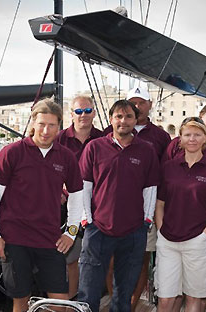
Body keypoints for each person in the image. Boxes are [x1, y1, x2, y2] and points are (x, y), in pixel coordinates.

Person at [0, 98, 84, 312]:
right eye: (41, 124)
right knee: (21, 300)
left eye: (52, 125)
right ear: (33, 123)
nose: (46, 130)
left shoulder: (66, 158)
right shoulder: (12, 153)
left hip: (49, 239)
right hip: (14, 239)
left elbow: (77, 196)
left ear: (60, 126)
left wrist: (71, 233)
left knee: (60, 303)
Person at [78, 100, 160, 312]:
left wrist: (146, 221)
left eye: (128, 117)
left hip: (133, 230)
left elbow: (150, 188)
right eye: (119, 117)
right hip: (97, 230)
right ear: (111, 119)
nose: (123, 121)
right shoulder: (94, 147)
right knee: (89, 291)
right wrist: (87, 219)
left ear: (135, 120)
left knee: (124, 293)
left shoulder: (147, 150)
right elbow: (85, 186)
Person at [104, 85, 171, 310]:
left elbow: (164, 172)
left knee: (141, 260)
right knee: (112, 260)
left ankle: (131, 305)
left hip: (145, 210)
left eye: (141, 102)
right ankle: (117, 302)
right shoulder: (109, 132)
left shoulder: (161, 136)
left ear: (150, 105)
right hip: (113, 211)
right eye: (133, 102)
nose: (137, 106)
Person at [155, 120, 206, 312]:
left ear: (205, 138)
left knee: (194, 298)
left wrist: (204, 236)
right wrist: (161, 230)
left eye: (197, 135)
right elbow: (159, 203)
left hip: (198, 243)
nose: (192, 139)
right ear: (180, 139)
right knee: (165, 298)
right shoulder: (168, 168)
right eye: (188, 134)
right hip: (168, 242)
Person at [56, 95, 103, 300]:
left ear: (93, 112)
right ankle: (65, 301)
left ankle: (77, 299)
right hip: (65, 204)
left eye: (87, 111)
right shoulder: (59, 139)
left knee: (86, 257)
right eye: (78, 111)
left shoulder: (103, 139)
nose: (83, 115)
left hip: (96, 207)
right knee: (67, 257)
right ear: (71, 113)